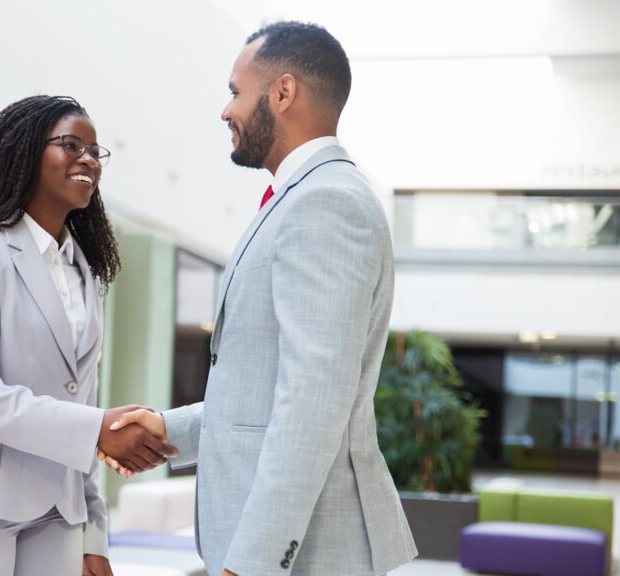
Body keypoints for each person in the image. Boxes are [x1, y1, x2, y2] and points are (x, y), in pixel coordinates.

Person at [106, 22, 417, 576]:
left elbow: (313, 403)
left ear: (283, 92)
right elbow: (270, 397)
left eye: (234, 91)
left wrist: (252, 565)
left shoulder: (325, 202)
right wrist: (168, 430)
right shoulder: (300, 198)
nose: (226, 111)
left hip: (310, 553)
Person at [0, 95, 175, 576]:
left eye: (96, 151)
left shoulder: (86, 273)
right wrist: (96, 429)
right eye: (72, 145)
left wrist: (95, 532)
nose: (89, 159)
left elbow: (82, 398)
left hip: (61, 514)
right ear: (25, 153)